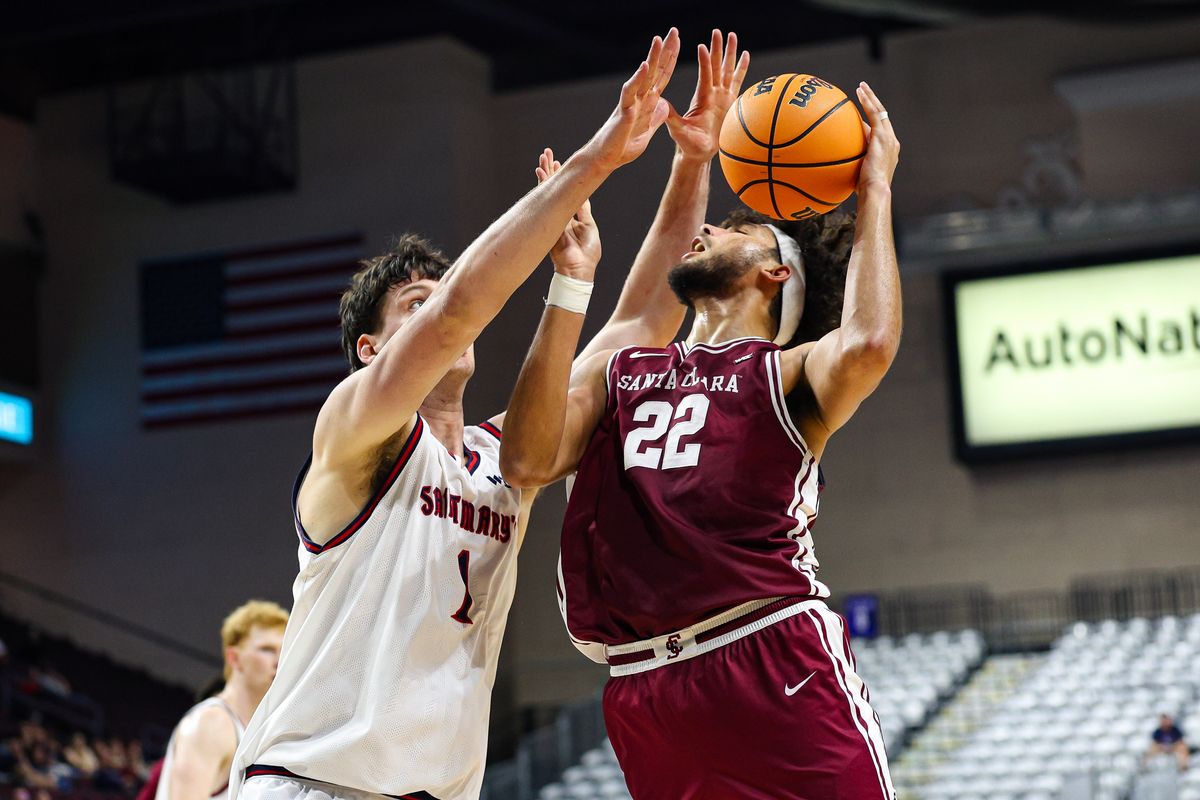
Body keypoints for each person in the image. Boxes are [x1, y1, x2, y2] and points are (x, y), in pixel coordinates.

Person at [228, 28, 709, 800]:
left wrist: (692, 161)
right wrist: (595, 163)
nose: (441, 317)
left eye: (434, 298)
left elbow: (640, 328)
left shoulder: (502, 457)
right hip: (312, 782)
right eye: (410, 309)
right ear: (369, 348)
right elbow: (455, 313)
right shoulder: (356, 432)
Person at [500, 81, 901, 799]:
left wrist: (873, 191)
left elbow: (869, 343)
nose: (709, 231)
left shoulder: (786, 375)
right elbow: (526, 457)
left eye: (735, 229)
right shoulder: (624, 370)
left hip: (770, 660)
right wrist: (568, 281)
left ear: (777, 272)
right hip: (644, 688)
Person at [156, 600, 288, 800]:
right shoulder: (211, 723)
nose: (279, 661)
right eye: (267, 649)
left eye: (284, 651)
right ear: (234, 658)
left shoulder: (257, 732)